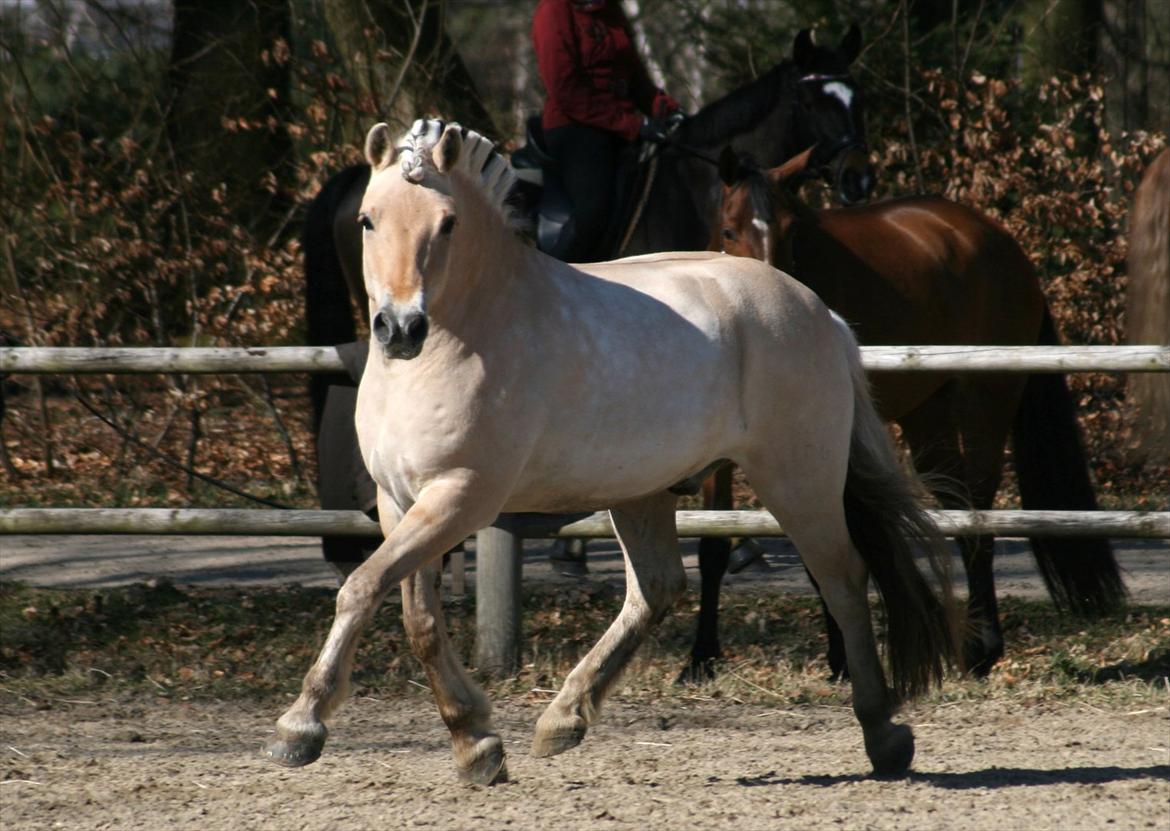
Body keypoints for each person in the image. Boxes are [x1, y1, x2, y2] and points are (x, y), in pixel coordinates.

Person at [532, 0, 682, 262]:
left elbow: (635, 76)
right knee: (594, 214)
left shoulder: (610, 8)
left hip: (621, 126)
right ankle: (563, 276)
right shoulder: (555, 9)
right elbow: (565, 90)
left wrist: (665, 110)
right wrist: (635, 125)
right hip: (575, 128)